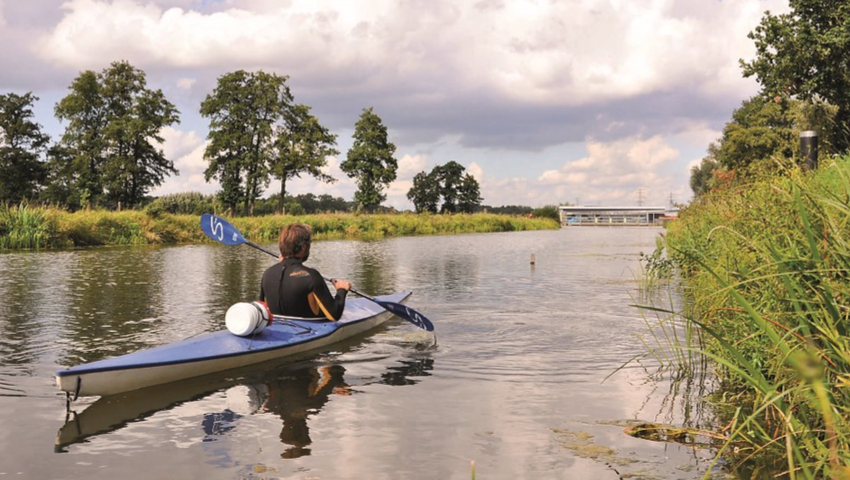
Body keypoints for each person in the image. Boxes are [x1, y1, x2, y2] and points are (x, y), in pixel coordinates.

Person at [259, 223, 351, 320]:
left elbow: (262, 308)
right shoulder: (311, 276)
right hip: (309, 330)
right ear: (303, 247)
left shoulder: (267, 274)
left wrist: (284, 265)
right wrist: (341, 290)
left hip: (276, 329)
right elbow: (335, 315)